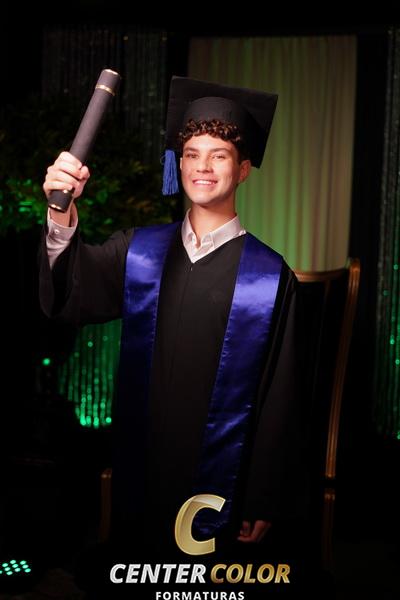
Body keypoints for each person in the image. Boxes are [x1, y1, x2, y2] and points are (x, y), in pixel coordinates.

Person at [39, 76, 309, 594]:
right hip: (143, 465)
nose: (202, 167)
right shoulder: (138, 251)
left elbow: (282, 396)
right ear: (178, 164)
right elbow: (72, 291)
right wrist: (60, 211)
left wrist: (263, 495)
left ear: (243, 168)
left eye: (218, 155)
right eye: (191, 154)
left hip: (222, 482)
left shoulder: (269, 277)